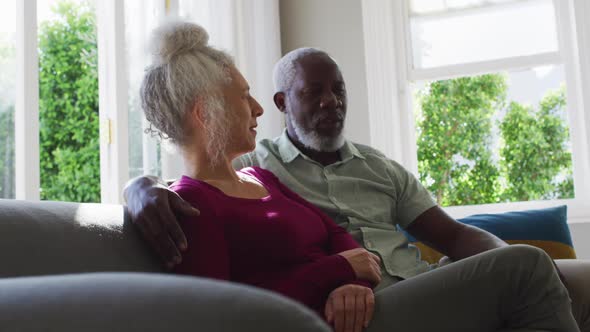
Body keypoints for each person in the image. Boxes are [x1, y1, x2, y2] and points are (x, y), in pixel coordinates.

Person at [129, 20, 585, 332]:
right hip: (348, 318)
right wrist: (139, 186)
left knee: (543, 275)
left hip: (388, 291)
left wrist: (353, 272)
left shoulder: (266, 182)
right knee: (525, 267)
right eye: (243, 97)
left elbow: (339, 236)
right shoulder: (220, 188)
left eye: (338, 89)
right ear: (205, 111)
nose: (257, 110)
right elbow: (220, 310)